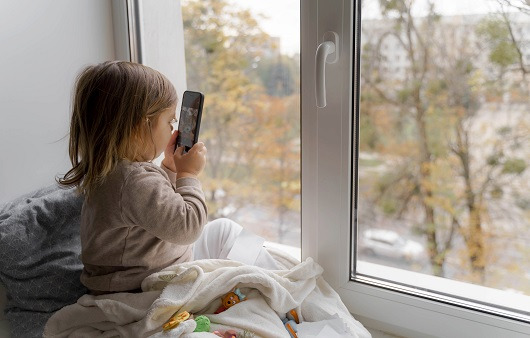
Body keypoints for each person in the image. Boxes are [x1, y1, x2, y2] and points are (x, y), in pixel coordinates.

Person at [59, 61, 277, 295]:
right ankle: (282, 292)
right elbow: (188, 228)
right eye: (170, 122)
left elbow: (152, 209)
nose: (174, 131)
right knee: (226, 235)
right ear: (139, 127)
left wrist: (170, 169)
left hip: (149, 266)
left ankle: (277, 285)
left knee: (223, 230)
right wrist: (188, 174)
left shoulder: (110, 171)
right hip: (150, 284)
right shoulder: (133, 181)